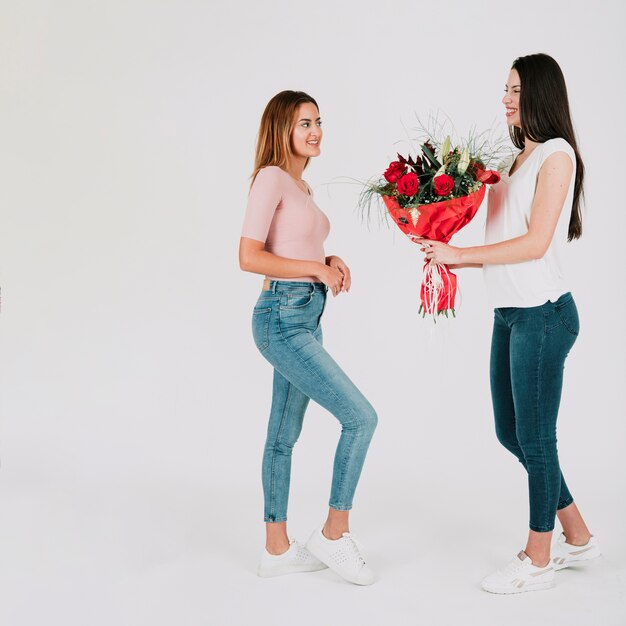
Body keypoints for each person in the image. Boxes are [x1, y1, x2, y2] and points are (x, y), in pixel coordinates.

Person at [418, 53, 600, 594]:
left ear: (541, 94)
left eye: (516, 90)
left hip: (544, 314)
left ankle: (537, 555)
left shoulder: (557, 156)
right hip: (510, 315)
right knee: (510, 431)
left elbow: (534, 243)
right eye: (504, 89)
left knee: (536, 437)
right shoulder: (516, 157)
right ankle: (579, 535)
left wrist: (459, 258)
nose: (506, 99)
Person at [239, 90, 378, 586]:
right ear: (282, 129)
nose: (316, 130)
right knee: (361, 418)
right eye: (304, 123)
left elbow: (298, 247)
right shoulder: (271, 178)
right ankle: (334, 535)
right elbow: (249, 256)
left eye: (319, 121)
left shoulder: (303, 187)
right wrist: (315, 270)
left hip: (306, 317)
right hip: (281, 317)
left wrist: (330, 260)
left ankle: (276, 549)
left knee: (283, 437)